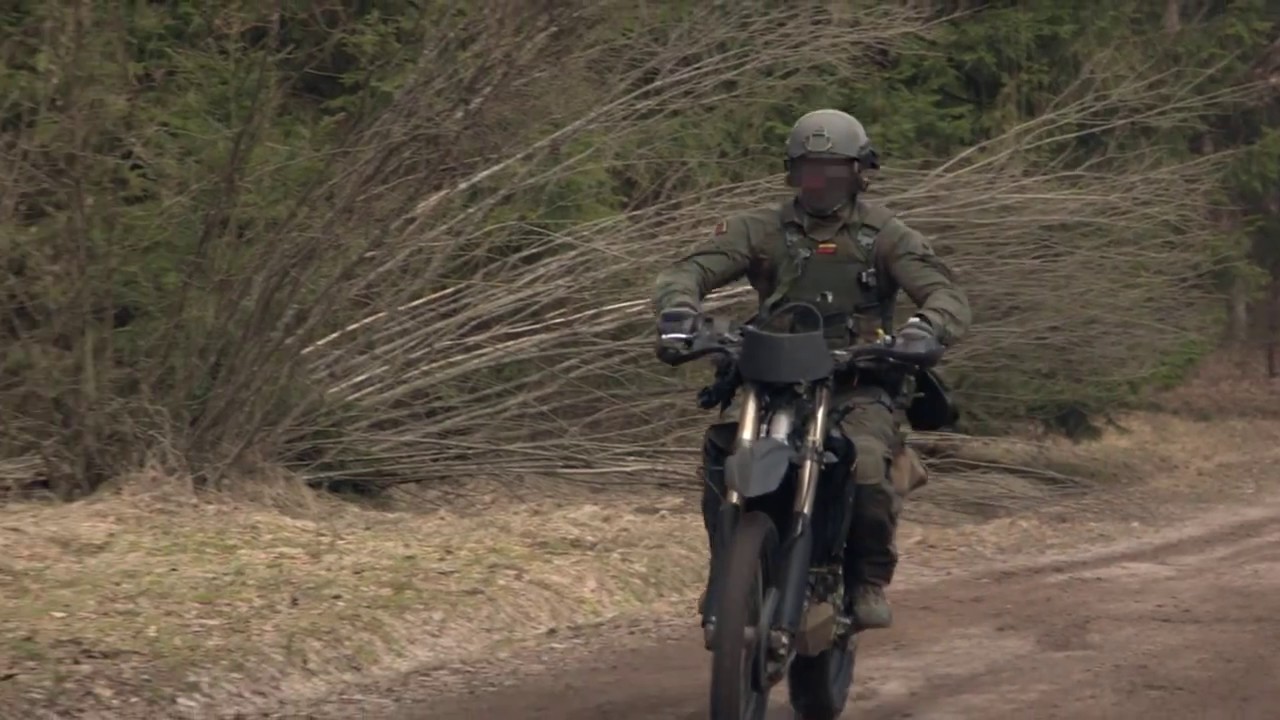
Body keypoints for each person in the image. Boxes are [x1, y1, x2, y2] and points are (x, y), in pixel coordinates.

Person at [651, 109, 971, 630]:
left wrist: (925, 329)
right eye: (810, 170)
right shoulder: (760, 229)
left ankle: (867, 577)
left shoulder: (884, 235)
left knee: (866, 463)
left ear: (860, 172)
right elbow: (689, 268)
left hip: (857, 381)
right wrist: (680, 311)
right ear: (792, 173)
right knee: (723, 453)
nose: (820, 182)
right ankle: (727, 570)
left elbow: (945, 292)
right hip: (772, 376)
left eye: (833, 171)